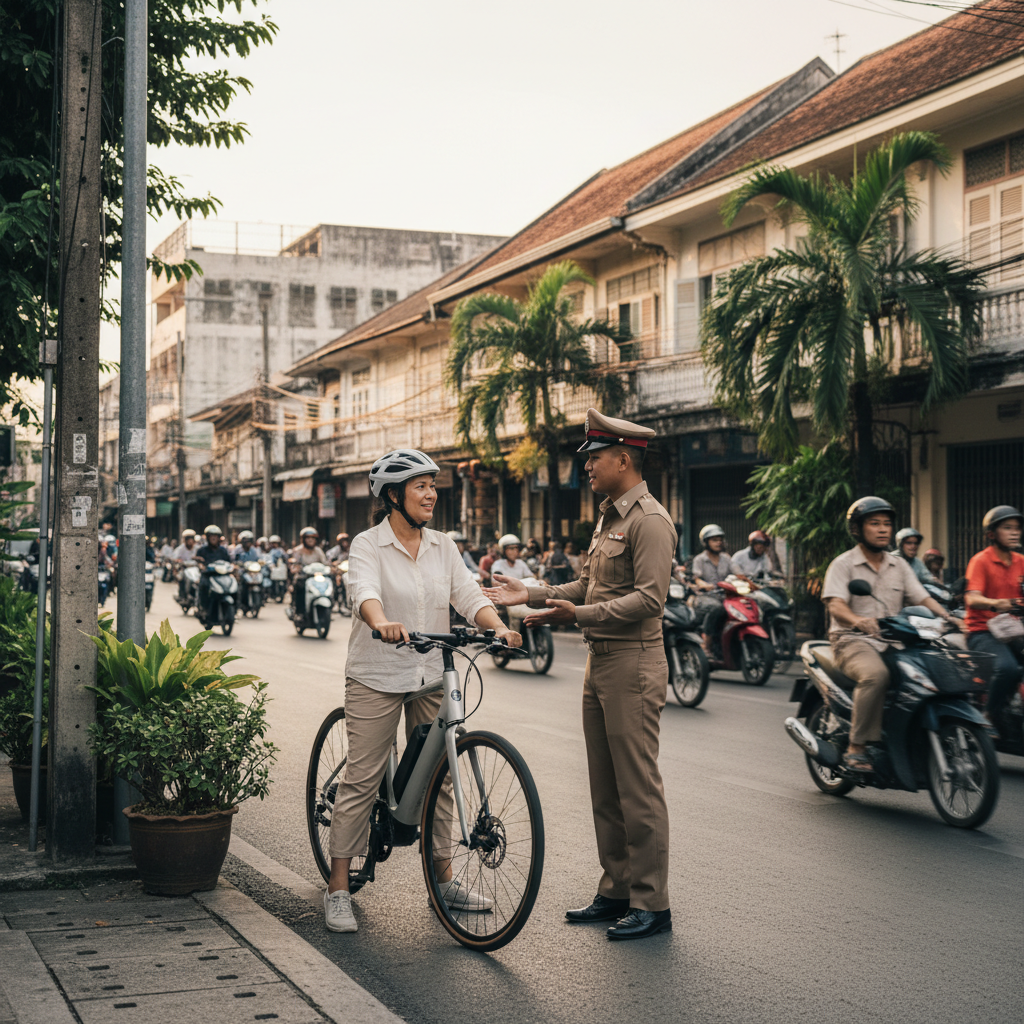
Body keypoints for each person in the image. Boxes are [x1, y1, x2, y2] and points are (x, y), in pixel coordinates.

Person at [484, 408, 675, 941]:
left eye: (593, 458)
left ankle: (652, 903)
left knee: (637, 786)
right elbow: (590, 587)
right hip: (601, 662)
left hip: (634, 662)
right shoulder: (610, 517)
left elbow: (648, 600)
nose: (586, 467)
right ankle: (617, 889)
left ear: (622, 459)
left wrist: (579, 616)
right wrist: (535, 593)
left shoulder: (650, 521)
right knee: (604, 785)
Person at [324, 449, 521, 934]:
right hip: (377, 673)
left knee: (441, 778)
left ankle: (443, 878)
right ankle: (338, 888)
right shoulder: (368, 545)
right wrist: (381, 622)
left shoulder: (443, 546)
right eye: (420, 486)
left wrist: (498, 628)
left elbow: (469, 596)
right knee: (364, 777)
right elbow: (362, 592)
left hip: (431, 670)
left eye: (433, 485)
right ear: (393, 495)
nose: (431, 494)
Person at [821, 497, 963, 772]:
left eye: (887, 524)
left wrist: (950, 617)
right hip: (851, 640)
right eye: (875, 524)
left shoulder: (899, 566)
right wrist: (858, 620)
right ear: (858, 529)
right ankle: (857, 746)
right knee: (876, 675)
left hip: (892, 640)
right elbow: (835, 604)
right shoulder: (844, 564)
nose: (883, 529)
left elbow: (922, 597)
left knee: (928, 671)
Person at [963, 505, 1024, 730]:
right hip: (982, 630)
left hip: (1013, 631)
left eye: (1017, 528)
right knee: (1007, 668)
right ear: (991, 534)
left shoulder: (1021, 561)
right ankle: (989, 714)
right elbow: (973, 599)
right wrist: (996, 603)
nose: (1015, 532)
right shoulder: (980, 561)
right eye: (1007, 528)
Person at [691, 524, 734, 653]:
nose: (718, 543)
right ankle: (707, 645)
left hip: (725, 596)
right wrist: (703, 584)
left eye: (720, 540)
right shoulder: (700, 559)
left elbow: (737, 573)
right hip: (705, 597)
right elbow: (696, 578)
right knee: (717, 608)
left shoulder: (727, 558)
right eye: (714, 540)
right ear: (706, 542)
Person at [289, 527, 328, 620]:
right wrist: (296, 568)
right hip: (303, 577)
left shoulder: (318, 550)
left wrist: (331, 568)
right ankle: (300, 612)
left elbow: (325, 563)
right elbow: (294, 564)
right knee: (300, 586)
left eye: (313, 538)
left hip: (316, 577)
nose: (310, 540)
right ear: (303, 539)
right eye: (308, 538)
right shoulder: (298, 550)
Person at [194, 525, 228, 615]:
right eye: (211, 536)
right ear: (208, 537)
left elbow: (229, 562)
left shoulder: (223, 551)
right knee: (203, 586)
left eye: (215, 536)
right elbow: (198, 561)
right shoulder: (202, 550)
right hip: (208, 575)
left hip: (222, 575)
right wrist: (201, 565)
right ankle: (202, 607)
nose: (213, 538)